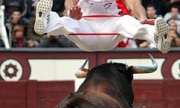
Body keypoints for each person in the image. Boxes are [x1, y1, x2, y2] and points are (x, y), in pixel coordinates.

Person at [34, 0, 170, 54]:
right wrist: (72, 13)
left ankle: (156, 38)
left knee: (126, 21)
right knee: (67, 21)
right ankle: (46, 21)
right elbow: (69, 3)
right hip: (85, 26)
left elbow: (135, 4)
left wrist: (142, 18)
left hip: (110, 28)